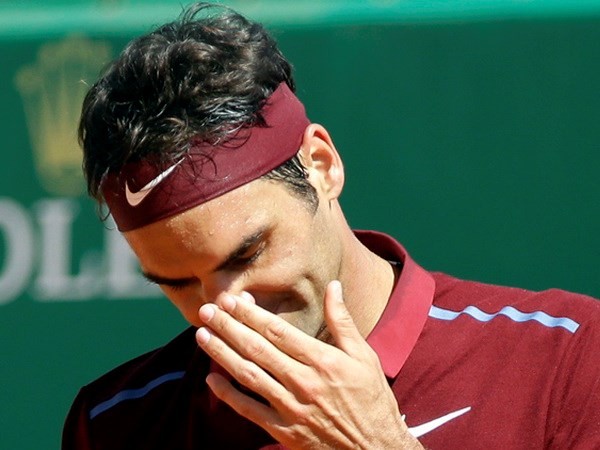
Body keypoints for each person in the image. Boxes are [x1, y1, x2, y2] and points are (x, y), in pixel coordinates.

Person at [62, 2, 600, 449]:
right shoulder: (114, 424)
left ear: (321, 166)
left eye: (247, 254)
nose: (227, 308)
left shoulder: (568, 358)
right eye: (178, 282)